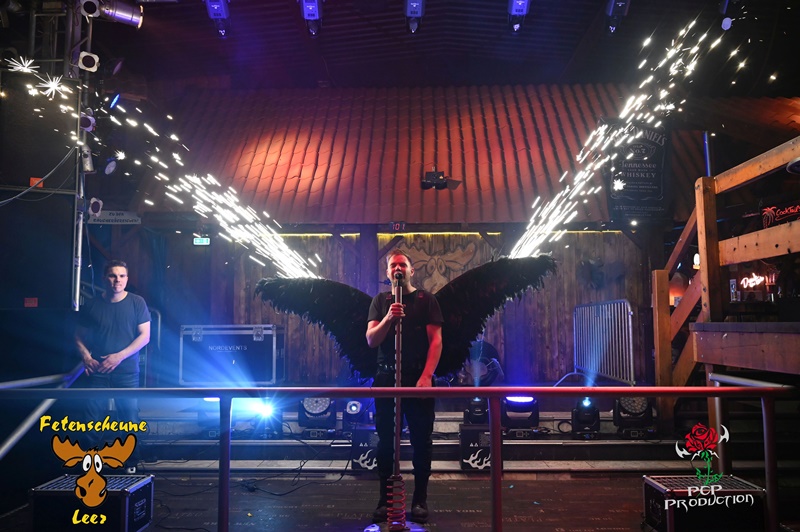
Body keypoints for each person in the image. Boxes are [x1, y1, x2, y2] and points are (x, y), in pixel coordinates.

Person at [366, 249, 443, 524]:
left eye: (402, 265)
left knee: (422, 441)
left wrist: (427, 376)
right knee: (386, 442)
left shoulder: (427, 301)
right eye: (393, 266)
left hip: (418, 378)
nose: (398, 269)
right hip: (387, 379)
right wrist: (389, 318)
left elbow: (436, 341)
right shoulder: (380, 302)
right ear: (387, 273)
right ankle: (385, 500)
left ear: (411, 270)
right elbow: (371, 340)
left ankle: (420, 499)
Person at [75, 260, 150, 471]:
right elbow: (78, 336)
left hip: (126, 372)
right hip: (97, 372)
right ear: (104, 278)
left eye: (122, 276)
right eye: (112, 275)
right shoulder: (91, 304)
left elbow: (145, 336)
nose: (117, 280)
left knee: (129, 419)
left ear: (127, 279)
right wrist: (86, 357)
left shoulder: (137, 302)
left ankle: (131, 465)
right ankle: (90, 465)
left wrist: (119, 357)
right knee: (91, 421)